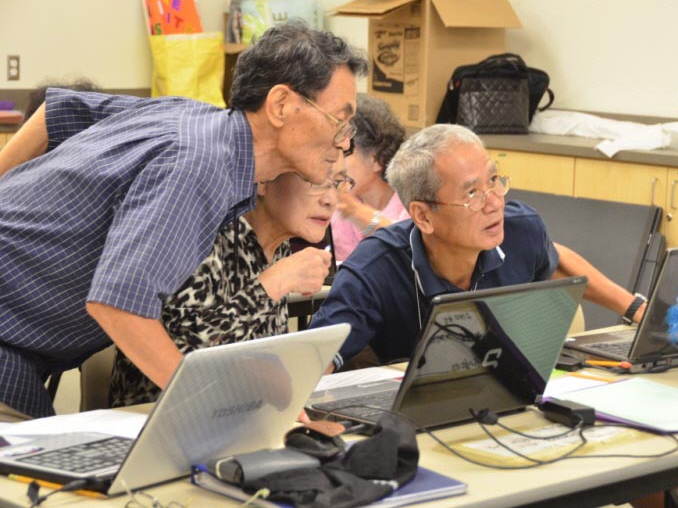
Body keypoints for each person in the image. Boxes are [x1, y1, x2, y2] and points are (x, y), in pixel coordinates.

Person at [309, 124, 678, 508]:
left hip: (515, 403)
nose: (494, 200)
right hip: (429, 429)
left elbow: (558, 260)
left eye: (495, 180)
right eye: (472, 193)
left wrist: (636, 309)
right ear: (423, 216)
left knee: (664, 478)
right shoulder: (376, 266)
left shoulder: (519, 228)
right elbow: (317, 354)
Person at [0, 21, 367, 419]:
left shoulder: (194, 120)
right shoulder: (200, 165)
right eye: (339, 120)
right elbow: (119, 306)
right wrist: (204, 400)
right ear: (280, 105)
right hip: (10, 337)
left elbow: (56, 112)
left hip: (24, 344)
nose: (344, 141)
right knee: (34, 465)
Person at [109, 162, 353, 407]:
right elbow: (187, 360)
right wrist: (271, 285)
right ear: (263, 181)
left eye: (337, 183)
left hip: (239, 415)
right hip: (157, 420)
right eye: (317, 181)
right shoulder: (203, 236)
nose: (331, 200)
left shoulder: (280, 246)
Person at [330, 94, 409, 261]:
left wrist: (355, 212)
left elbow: (410, 247)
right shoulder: (336, 206)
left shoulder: (410, 204)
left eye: (346, 152)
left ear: (376, 159)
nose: (335, 161)